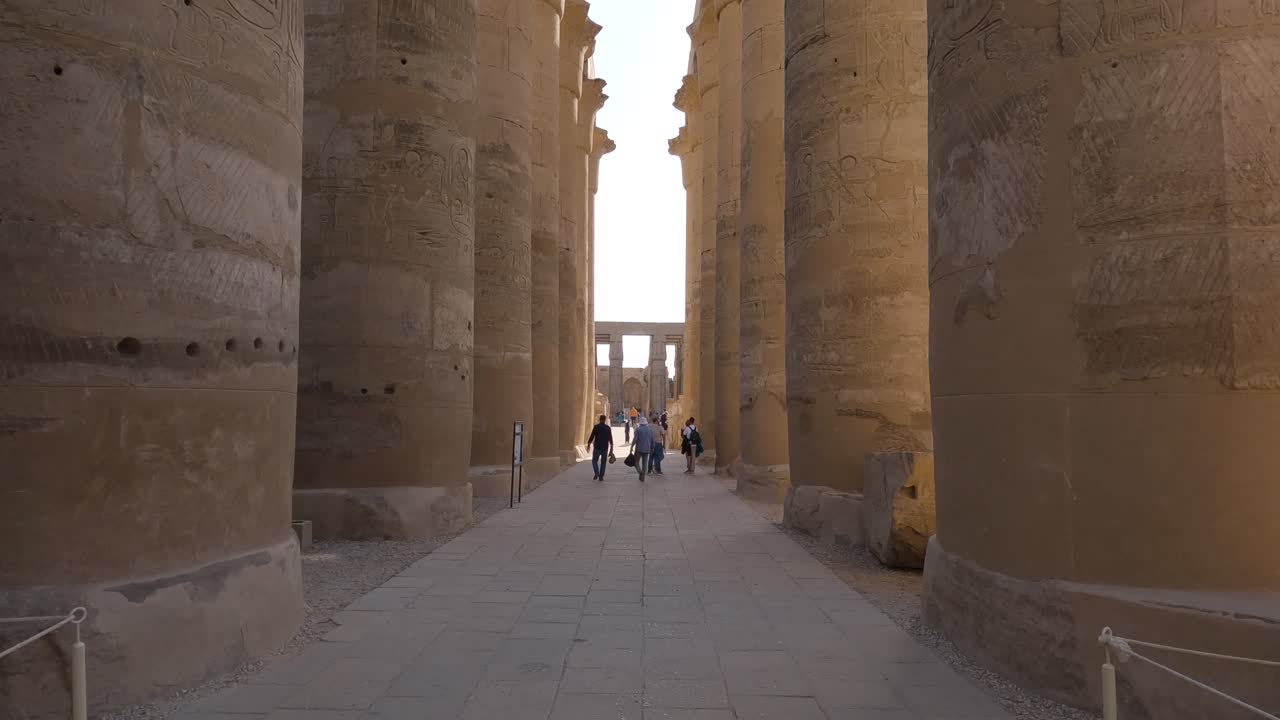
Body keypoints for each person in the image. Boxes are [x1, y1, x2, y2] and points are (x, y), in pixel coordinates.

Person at [586, 414, 614, 481]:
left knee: (594, 461)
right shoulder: (608, 428)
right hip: (605, 447)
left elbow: (592, 436)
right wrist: (612, 448)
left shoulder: (596, 427)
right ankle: (601, 477)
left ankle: (596, 472)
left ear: (600, 420)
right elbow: (610, 439)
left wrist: (589, 444)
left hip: (597, 447)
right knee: (603, 462)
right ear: (605, 420)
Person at [631, 415, 653, 482]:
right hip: (647, 448)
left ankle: (640, 472)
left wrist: (631, 446)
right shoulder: (649, 430)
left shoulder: (638, 429)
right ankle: (643, 476)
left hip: (639, 449)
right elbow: (652, 440)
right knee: (644, 463)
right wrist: (652, 448)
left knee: (635, 462)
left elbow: (635, 439)